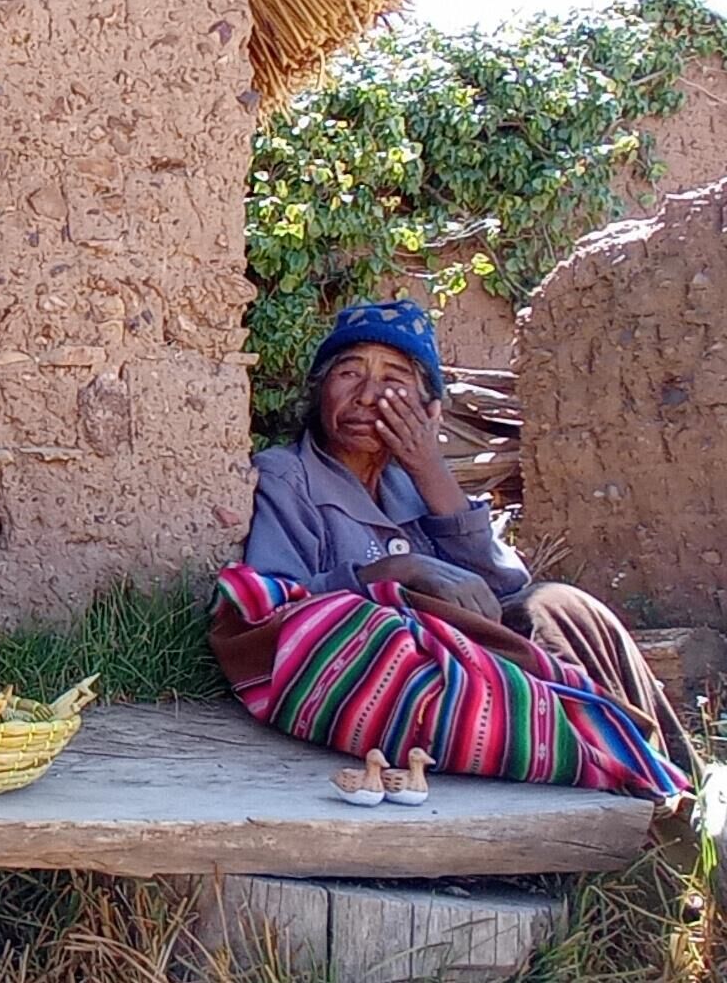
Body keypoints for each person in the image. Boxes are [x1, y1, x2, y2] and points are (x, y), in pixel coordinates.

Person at [215, 299, 693, 803]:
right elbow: (277, 610)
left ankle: (671, 776)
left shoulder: (416, 483)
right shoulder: (287, 478)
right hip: (415, 670)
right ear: (319, 392)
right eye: (348, 373)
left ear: (430, 411)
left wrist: (430, 471)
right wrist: (400, 570)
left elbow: (509, 593)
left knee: (560, 605)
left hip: (481, 654)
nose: (367, 396)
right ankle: (631, 772)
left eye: (393, 378)